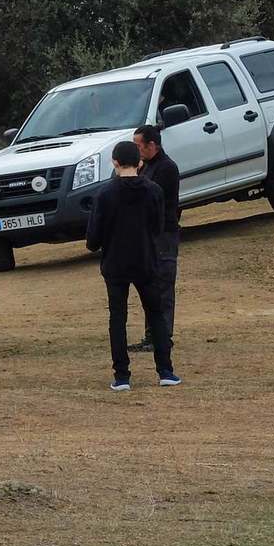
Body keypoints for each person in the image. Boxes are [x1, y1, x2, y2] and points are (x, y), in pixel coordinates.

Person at [85, 140, 180, 391]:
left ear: (115, 162)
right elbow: (158, 227)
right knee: (156, 313)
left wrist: (98, 243)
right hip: (146, 260)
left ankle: (122, 376)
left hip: (115, 262)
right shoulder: (154, 191)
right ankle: (166, 370)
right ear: (139, 163)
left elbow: (94, 237)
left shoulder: (104, 194)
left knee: (117, 318)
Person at [129, 124, 181, 353]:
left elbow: (151, 197)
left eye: (138, 145)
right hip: (148, 235)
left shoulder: (167, 168)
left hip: (164, 234)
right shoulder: (145, 167)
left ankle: (162, 335)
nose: (136, 150)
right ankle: (152, 334)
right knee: (150, 286)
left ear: (152, 145)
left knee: (163, 286)